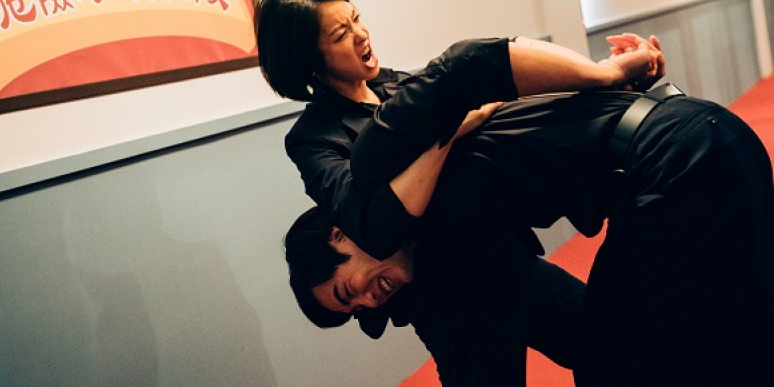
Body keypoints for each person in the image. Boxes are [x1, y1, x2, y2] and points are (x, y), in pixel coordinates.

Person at [281, 37, 774, 386]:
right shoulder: (438, 226)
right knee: (700, 337)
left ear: (339, 232)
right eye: (358, 311)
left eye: (348, 291)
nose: (369, 302)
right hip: (698, 137)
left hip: (678, 160)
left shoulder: (381, 163)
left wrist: (609, 73)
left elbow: (466, 64)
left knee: (645, 355)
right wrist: (623, 75)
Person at [255, 0, 667, 385]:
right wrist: (448, 132)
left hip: (506, 258)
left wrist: (621, 85)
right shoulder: (313, 139)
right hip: (452, 302)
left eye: (356, 19)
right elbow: (376, 224)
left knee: (620, 353)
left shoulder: (395, 84)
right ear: (310, 60)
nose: (361, 34)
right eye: (341, 34)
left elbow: (498, 111)